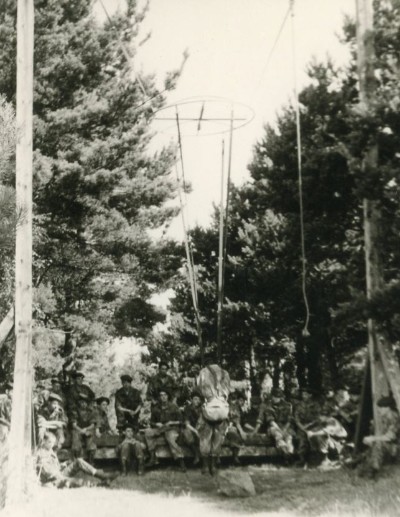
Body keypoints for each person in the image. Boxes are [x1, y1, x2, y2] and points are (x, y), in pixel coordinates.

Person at [36, 433, 117, 488]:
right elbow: (47, 472)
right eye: (50, 442)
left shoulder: (50, 451)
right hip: (53, 479)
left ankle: (103, 476)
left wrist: (64, 464)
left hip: (59, 473)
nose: (52, 445)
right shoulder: (41, 454)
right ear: (44, 441)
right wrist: (60, 474)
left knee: (78, 461)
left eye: (53, 442)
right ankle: (97, 485)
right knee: (73, 481)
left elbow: (56, 466)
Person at [196, 361, 231, 476]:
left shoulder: (203, 372)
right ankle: (214, 467)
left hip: (208, 410)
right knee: (218, 440)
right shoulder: (225, 373)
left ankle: (205, 467)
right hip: (222, 411)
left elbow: (198, 388)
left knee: (205, 439)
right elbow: (228, 390)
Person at [144, 389, 186, 472]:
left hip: (172, 429)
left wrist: (171, 422)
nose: (163, 397)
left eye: (165, 395)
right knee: (148, 432)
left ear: (168, 396)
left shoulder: (174, 407)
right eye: (161, 395)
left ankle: (181, 461)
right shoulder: (156, 408)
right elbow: (152, 422)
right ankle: (153, 458)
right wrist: (156, 424)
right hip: (160, 429)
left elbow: (182, 421)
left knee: (170, 437)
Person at [361, 394, 400, 478]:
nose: (379, 410)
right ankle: (367, 467)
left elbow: (390, 437)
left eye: (381, 408)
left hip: (397, 448)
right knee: (375, 444)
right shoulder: (387, 417)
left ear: (388, 408)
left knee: (379, 444)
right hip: (394, 448)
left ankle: (372, 471)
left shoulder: (395, 418)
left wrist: (372, 438)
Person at [253, 388, 294, 458]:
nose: (276, 399)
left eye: (278, 397)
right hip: (273, 426)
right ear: (272, 396)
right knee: (278, 436)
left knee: (289, 438)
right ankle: (286, 453)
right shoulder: (267, 406)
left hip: (285, 426)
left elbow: (289, 420)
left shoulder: (288, 405)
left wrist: (284, 429)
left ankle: (289, 453)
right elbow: (270, 420)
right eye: (275, 397)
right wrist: (280, 430)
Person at [70, 393, 98, 463]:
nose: (83, 404)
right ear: (78, 403)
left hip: (87, 430)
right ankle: (77, 462)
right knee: (76, 440)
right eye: (81, 402)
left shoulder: (91, 411)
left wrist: (86, 429)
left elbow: (93, 424)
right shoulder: (74, 411)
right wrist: (81, 430)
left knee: (91, 441)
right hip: (78, 430)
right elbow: (74, 424)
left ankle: (91, 462)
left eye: (85, 402)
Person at [225, 391, 249, 465]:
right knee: (235, 434)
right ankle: (235, 457)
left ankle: (235, 457)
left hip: (233, 427)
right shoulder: (233, 407)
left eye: (243, 401)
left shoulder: (239, 408)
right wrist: (241, 431)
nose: (242, 402)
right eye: (241, 400)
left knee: (237, 434)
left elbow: (243, 423)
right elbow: (236, 421)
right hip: (227, 427)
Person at [180, 390, 202, 465]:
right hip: (191, 428)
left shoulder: (202, 408)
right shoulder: (188, 408)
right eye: (195, 399)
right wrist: (196, 431)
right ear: (191, 400)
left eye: (199, 399)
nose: (197, 401)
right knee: (186, 433)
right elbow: (187, 424)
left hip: (200, 428)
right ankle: (196, 454)